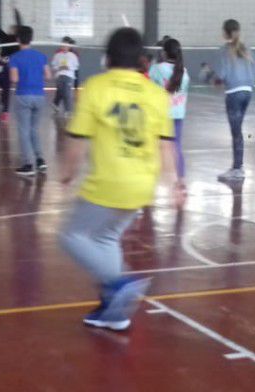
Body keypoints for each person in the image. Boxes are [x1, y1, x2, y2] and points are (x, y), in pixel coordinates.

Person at [59, 27, 182, 332]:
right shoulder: (156, 94)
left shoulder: (96, 88)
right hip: (142, 187)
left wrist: (68, 172)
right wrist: (176, 184)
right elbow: (167, 145)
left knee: (71, 236)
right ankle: (114, 312)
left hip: (108, 184)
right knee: (106, 237)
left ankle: (119, 284)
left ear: (107, 57)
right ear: (142, 60)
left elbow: (77, 141)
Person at [214, 19, 255, 181]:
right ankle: (237, 166)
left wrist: (213, 79)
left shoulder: (224, 51)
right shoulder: (247, 50)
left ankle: (237, 168)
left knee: (236, 131)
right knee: (238, 129)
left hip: (234, 93)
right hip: (248, 92)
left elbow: (221, 74)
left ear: (225, 33)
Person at [9, 26, 52, 176]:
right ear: (31, 38)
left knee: (24, 131)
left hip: (23, 96)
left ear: (18, 39)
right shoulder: (41, 56)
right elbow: (48, 76)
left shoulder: (15, 57)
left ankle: (28, 164)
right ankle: (40, 160)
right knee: (34, 130)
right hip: (39, 96)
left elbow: (14, 79)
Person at [150, 38, 190, 186]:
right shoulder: (184, 72)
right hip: (178, 115)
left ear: (164, 53)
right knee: (176, 147)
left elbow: (148, 86)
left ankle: (150, 182)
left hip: (161, 116)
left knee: (154, 148)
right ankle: (182, 181)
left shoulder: (157, 69)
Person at [0, 3, 24, 121]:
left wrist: (15, 10)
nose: (11, 29)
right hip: (7, 65)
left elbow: (19, 23)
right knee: (6, 87)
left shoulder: (18, 37)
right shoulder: (4, 37)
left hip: (16, 65)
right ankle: (5, 109)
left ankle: (15, 106)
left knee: (14, 86)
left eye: (13, 28)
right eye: (10, 28)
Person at [51, 37, 80, 116]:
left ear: (69, 46)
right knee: (60, 91)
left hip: (69, 76)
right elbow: (54, 65)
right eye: (63, 45)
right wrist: (58, 68)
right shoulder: (57, 55)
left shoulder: (73, 55)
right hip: (59, 76)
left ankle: (68, 110)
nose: (64, 47)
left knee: (67, 93)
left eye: (66, 45)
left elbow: (76, 66)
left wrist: (69, 68)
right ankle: (55, 104)